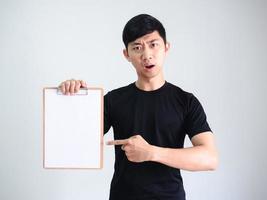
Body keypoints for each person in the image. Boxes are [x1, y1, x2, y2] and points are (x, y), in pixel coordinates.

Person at [59, 14, 218, 200]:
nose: (147, 55)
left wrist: (151, 152)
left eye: (153, 44)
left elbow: (209, 158)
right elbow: (73, 142)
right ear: (126, 54)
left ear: (166, 47)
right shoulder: (113, 100)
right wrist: (73, 101)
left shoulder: (186, 101)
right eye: (137, 47)